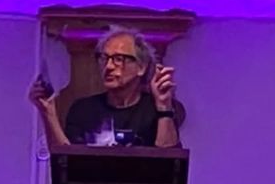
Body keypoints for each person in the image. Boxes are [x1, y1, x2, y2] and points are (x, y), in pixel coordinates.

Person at [29, 27, 183, 148]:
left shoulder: (154, 110)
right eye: (104, 58)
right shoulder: (83, 109)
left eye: (118, 59)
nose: (108, 66)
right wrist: (48, 112)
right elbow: (65, 162)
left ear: (141, 67)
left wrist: (164, 107)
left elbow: (169, 162)